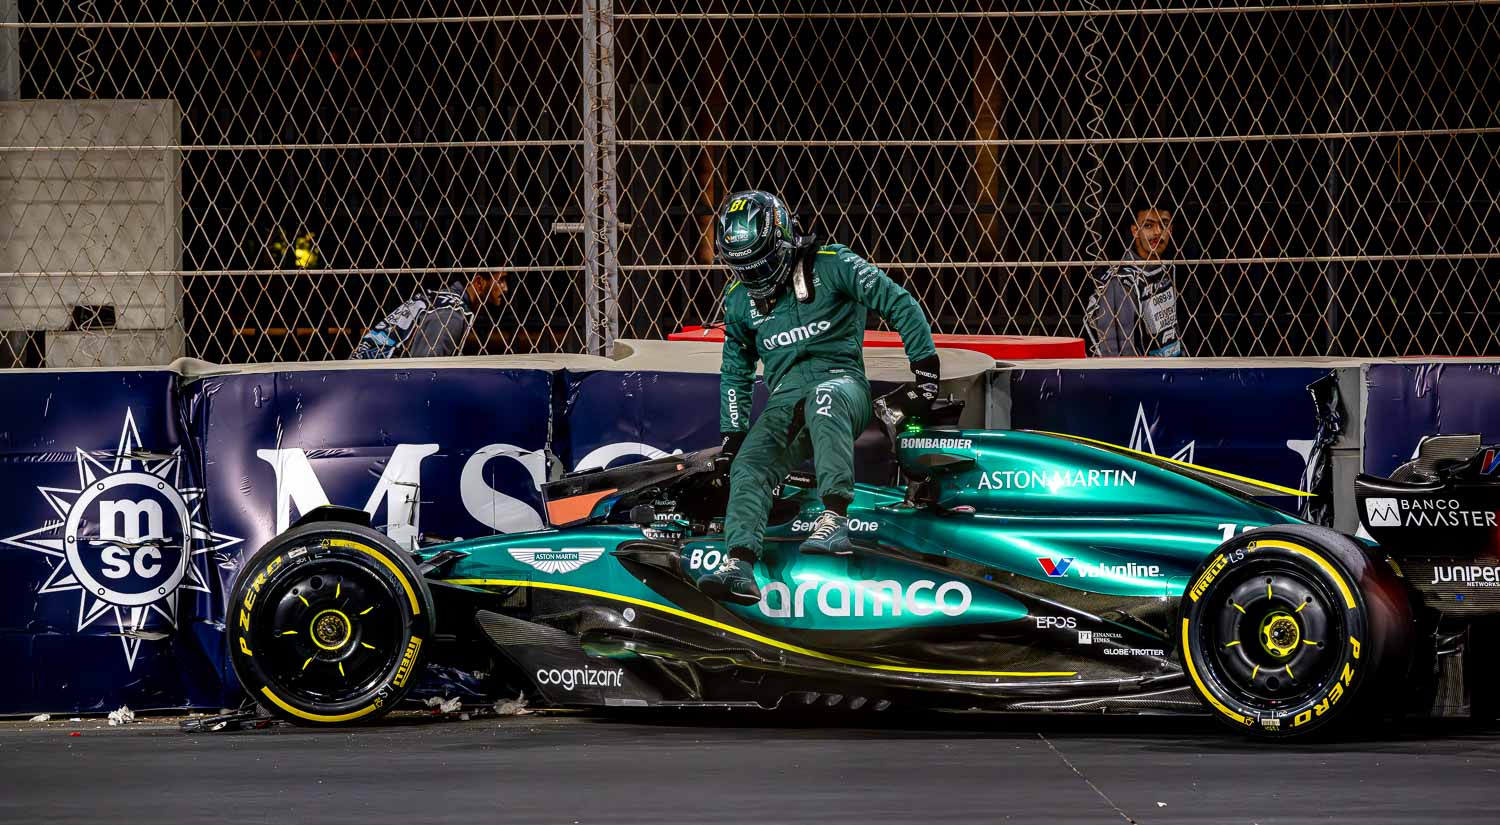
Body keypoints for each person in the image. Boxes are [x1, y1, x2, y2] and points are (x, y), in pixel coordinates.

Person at [699, 190, 940, 605]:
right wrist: (732, 435)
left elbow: (899, 302)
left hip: (843, 385)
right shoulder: (739, 301)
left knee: (824, 399)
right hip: (785, 403)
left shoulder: (834, 264)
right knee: (749, 463)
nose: (754, 275)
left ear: (784, 239)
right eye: (743, 267)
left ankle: (835, 517)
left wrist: (926, 372)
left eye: (761, 262)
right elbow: (735, 369)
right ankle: (739, 563)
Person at [1083, 206, 1186, 357]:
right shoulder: (1122, 281)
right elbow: (1116, 349)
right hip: (1141, 376)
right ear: (1134, 231)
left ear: (1170, 229)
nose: (1158, 232)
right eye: (1148, 225)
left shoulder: (1165, 270)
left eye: (1163, 224)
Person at [351, 271, 509, 359]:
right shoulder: (450, 314)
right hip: (373, 382)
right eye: (500, 280)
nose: (506, 288)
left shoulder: (440, 299)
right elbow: (424, 374)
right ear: (479, 282)